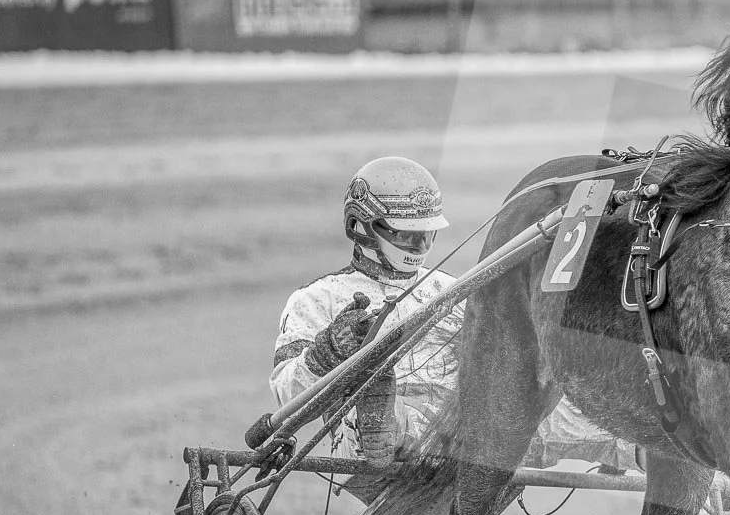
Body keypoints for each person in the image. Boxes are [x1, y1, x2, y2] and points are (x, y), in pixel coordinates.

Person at [270, 155, 638, 477]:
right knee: (392, 406)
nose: (419, 246)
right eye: (405, 235)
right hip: (379, 431)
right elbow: (286, 399)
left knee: (558, 412)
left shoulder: (453, 287)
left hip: (473, 416)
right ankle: (382, 422)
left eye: (426, 235)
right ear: (361, 226)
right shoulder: (315, 299)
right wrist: (324, 354)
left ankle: (654, 448)